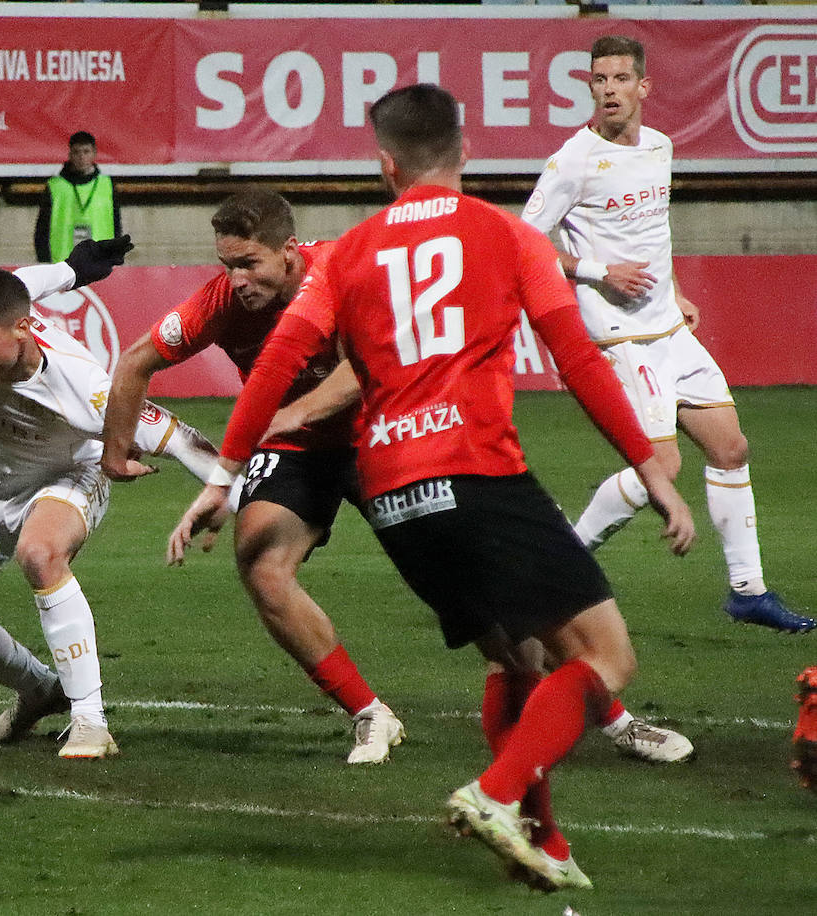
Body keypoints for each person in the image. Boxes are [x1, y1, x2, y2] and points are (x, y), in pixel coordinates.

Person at [172, 83, 696, 891]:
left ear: (385, 164)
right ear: (466, 151)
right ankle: (495, 793)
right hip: (479, 469)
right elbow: (578, 359)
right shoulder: (507, 235)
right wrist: (649, 463)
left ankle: (543, 841)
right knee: (605, 655)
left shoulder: (347, 252)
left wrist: (225, 473)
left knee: (513, 658)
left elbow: (275, 365)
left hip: (394, 494)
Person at [102, 188, 406, 765]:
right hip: (296, 446)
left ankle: (581, 693)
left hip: (378, 434)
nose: (237, 279)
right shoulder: (223, 304)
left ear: (289, 251)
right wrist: (115, 453)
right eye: (228, 265)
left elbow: (365, 367)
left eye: (249, 264)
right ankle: (371, 715)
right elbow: (135, 360)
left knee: (452, 567)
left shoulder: (340, 272)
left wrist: (287, 416)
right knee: (263, 567)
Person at [522, 34, 813, 635]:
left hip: (668, 327)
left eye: (620, 79)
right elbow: (525, 247)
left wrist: (674, 289)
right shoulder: (573, 160)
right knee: (663, 463)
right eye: (599, 79)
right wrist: (600, 272)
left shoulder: (659, 147)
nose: (609, 90)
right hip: (619, 335)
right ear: (590, 86)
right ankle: (560, 559)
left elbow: (653, 229)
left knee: (730, 448)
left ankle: (748, 592)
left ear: (643, 87)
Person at [0, 235, 219, 760]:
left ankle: (90, 720)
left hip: (69, 472)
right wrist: (71, 269)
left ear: (22, 332)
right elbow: (22, 284)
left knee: (40, 554)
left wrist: (229, 492)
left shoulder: (86, 390)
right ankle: (42, 690)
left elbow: (180, 438)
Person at [34, 130, 122, 263]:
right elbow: (42, 229)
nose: (81, 157)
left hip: (100, 261)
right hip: (63, 263)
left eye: (86, 152)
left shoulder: (107, 185)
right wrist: (44, 261)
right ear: (70, 154)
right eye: (77, 152)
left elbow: (116, 224)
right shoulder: (55, 186)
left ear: (94, 154)